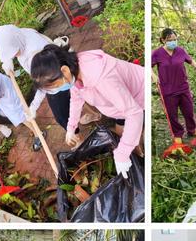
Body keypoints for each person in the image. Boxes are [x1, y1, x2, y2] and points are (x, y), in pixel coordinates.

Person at [30, 45, 144, 179]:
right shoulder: (74, 70)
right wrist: (71, 127)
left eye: (55, 86)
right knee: (123, 135)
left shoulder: (102, 79)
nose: (55, 91)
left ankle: (141, 159)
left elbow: (134, 113)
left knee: (130, 137)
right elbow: (76, 98)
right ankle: (137, 157)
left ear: (64, 70)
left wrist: (122, 154)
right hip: (120, 106)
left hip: (140, 99)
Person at [0, 24, 101, 147]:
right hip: (59, 70)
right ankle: (93, 115)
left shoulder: (33, 53)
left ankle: (79, 141)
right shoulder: (23, 34)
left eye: (13, 52)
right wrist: (7, 60)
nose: (13, 55)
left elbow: (43, 85)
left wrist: (33, 107)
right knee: (75, 93)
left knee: (62, 115)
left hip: (56, 81)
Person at [151, 28, 196, 145]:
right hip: (168, 90)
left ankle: (192, 130)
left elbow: (190, 60)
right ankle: (177, 134)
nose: (173, 42)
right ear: (163, 40)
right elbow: (148, 66)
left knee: (189, 110)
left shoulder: (180, 51)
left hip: (183, 87)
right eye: (170, 40)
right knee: (172, 114)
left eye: (175, 39)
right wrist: (153, 75)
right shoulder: (157, 53)